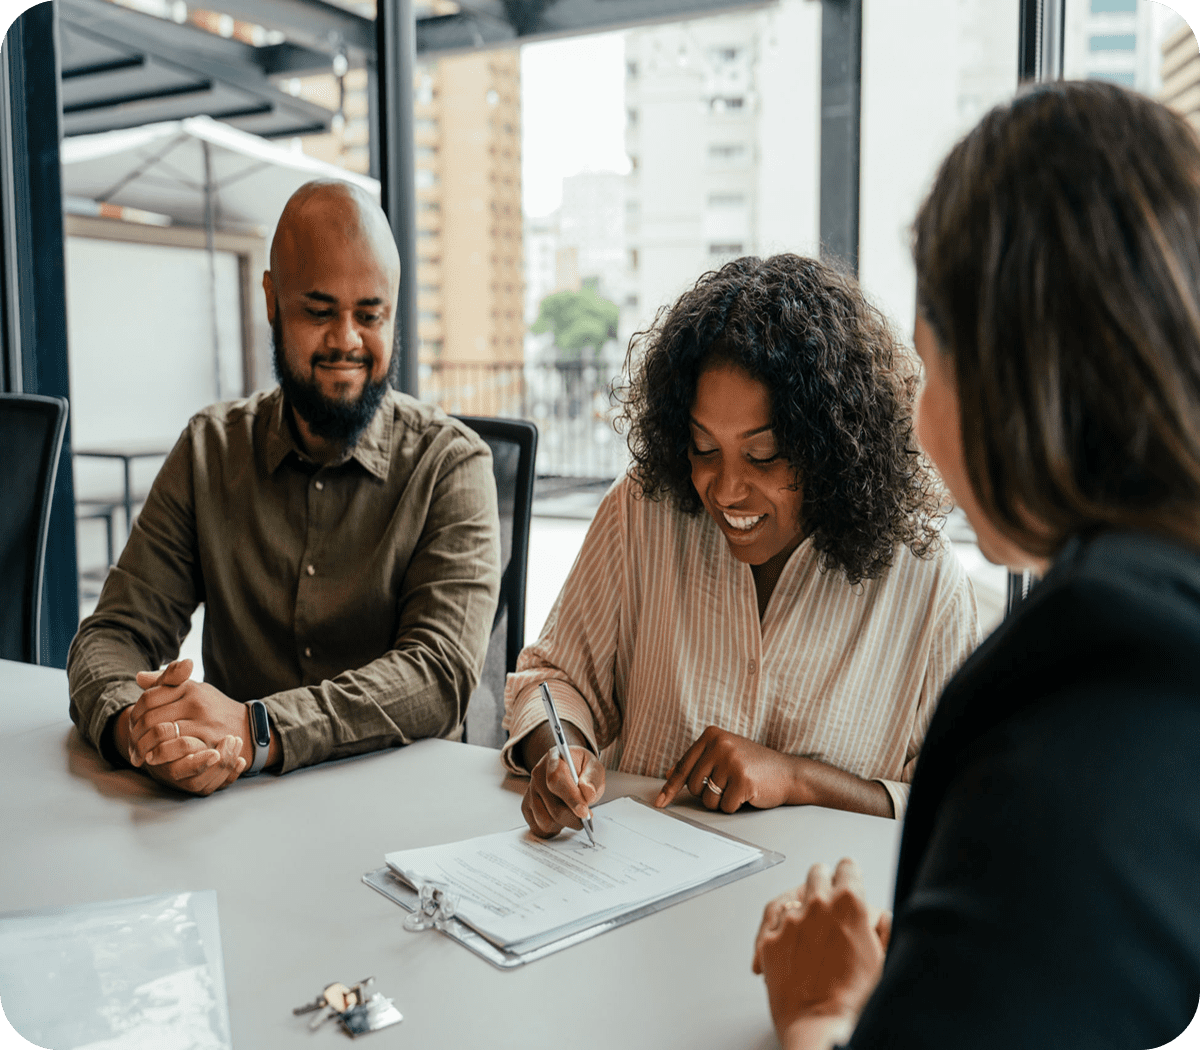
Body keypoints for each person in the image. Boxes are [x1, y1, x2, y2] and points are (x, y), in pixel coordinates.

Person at [754, 81, 1200, 1049]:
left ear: (1004, 376)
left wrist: (822, 1017)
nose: (919, 422)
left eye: (928, 364)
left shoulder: (1072, 718)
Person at [502, 254, 979, 837]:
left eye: (763, 454)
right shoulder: (642, 512)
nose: (726, 490)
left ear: (833, 450)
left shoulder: (926, 583)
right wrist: (559, 750)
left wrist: (800, 779)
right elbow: (552, 678)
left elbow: (960, 804)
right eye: (704, 448)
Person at [68, 179, 501, 795]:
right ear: (272, 300)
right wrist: (134, 728)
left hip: (402, 813)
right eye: (320, 312)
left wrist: (258, 731)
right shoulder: (209, 451)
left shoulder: (451, 465)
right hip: (237, 806)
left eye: (370, 314)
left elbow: (438, 675)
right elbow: (114, 634)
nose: (347, 340)